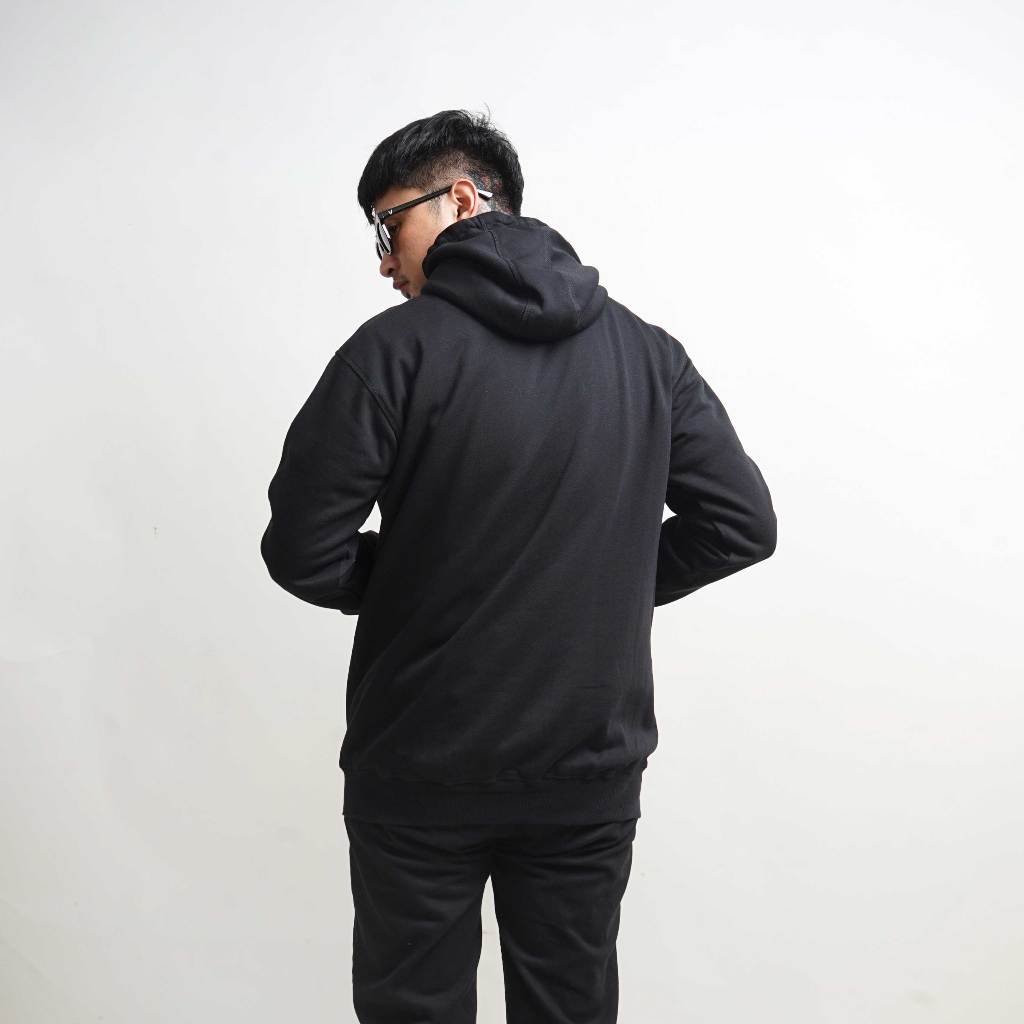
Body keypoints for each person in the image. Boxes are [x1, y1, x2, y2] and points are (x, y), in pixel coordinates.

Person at [260, 107, 777, 1023]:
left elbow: (302, 550)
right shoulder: (647, 355)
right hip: (586, 767)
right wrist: (593, 584)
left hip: (418, 768)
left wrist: (422, 588)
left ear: (463, 199)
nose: (383, 261)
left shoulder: (391, 353)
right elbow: (740, 524)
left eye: (388, 227)